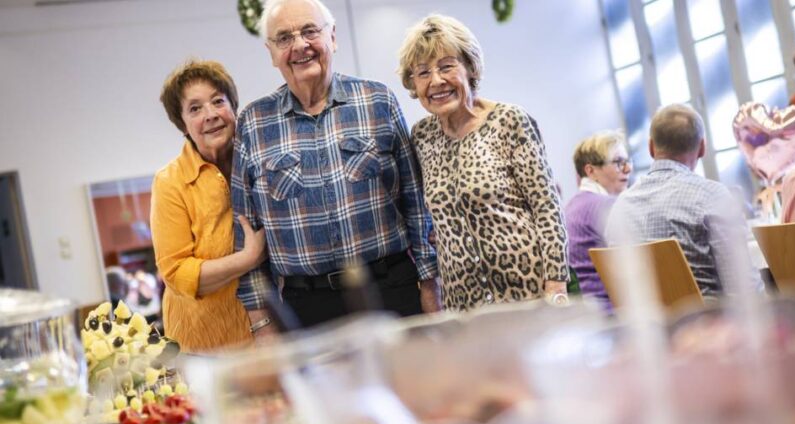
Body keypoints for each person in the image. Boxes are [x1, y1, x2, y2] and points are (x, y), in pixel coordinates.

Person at [232, 0, 440, 329]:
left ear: (333, 37)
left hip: (391, 290)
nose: (300, 45)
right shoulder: (254, 123)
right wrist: (261, 323)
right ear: (271, 52)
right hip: (308, 309)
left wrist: (430, 286)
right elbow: (245, 230)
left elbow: (416, 204)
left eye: (310, 31)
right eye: (284, 38)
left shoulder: (378, 100)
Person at [396, 14, 569, 310]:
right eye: (422, 73)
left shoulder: (509, 121)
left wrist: (556, 284)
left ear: (470, 68)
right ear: (413, 83)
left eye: (447, 66)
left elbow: (546, 208)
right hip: (463, 302)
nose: (436, 81)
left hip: (526, 293)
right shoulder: (421, 136)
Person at [151, 59, 267, 352]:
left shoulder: (262, 160)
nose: (210, 115)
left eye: (218, 101)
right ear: (183, 125)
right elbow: (177, 273)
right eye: (195, 108)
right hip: (205, 346)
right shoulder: (170, 182)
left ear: (233, 107)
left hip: (271, 330)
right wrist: (248, 258)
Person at [605, 103, 762, 296]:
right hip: (712, 323)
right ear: (702, 147)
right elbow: (745, 289)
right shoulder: (713, 196)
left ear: (651, 147)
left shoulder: (620, 207)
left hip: (647, 324)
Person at [564, 131, 630, 308]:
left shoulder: (570, 207)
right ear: (591, 171)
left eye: (627, 161)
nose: (627, 169)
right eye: (618, 162)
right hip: (615, 316)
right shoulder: (608, 206)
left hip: (586, 315)